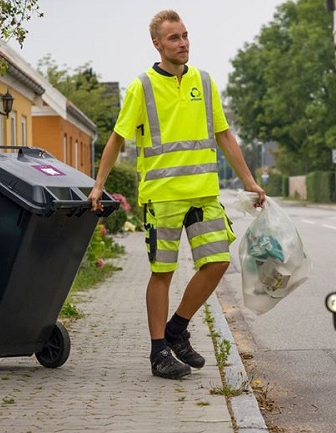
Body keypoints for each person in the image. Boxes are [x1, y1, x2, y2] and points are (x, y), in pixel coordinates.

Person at [88, 9, 265, 380]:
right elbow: (117, 138)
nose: (183, 43)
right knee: (162, 272)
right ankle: (158, 353)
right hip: (162, 196)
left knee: (217, 262)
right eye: (174, 38)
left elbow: (224, 135)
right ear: (157, 44)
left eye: (185, 35)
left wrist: (248, 180)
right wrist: (99, 185)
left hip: (203, 194)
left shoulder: (204, 80)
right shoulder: (143, 87)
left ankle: (177, 329)